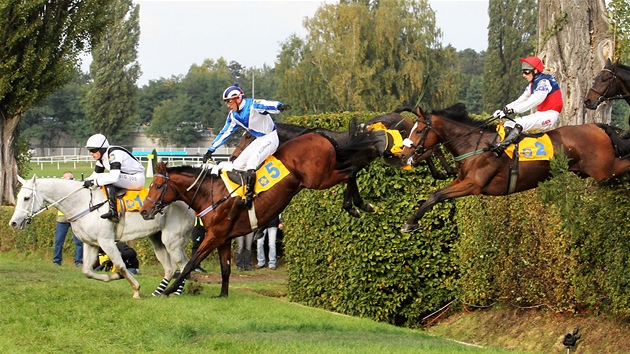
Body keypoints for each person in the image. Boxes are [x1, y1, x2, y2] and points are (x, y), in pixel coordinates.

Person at [202, 84, 289, 208]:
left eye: (229, 101)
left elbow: (265, 104)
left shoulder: (253, 105)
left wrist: (278, 106)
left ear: (238, 99)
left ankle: (250, 198)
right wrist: (211, 150)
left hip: (271, 138)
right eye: (226, 102)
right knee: (237, 164)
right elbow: (225, 132)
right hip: (259, 139)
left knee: (251, 163)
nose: (228, 105)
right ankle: (242, 192)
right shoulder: (233, 116)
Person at [490, 56, 564, 156]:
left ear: (536, 70)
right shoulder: (532, 84)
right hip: (539, 114)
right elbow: (522, 99)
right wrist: (505, 109)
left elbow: (535, 100)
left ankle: (501, 149)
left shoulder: (544, 82)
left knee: (519, 125)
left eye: (526, 72)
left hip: (549, 115)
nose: (524, 75)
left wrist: (514, 110)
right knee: (508, 124)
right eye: (523, 72)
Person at [83, 133, 145, 222]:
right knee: (102, 177)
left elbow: (113, 178)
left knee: (106, 177)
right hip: (125, 177)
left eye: (93, 150)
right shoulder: (102, 157)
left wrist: (94, 183)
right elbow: (94, 175)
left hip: (136, 179)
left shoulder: (114, 154)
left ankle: (113, 212)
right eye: (89, 150)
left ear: (102, 148)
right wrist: (82, 182)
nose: (91, 154)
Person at [53, 171, 84, 266]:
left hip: (74, 218)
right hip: (62, 218)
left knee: (79, 241)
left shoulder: (77, 190)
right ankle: (56, 261)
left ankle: (79, 261)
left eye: (71, 178)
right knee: (59, 241)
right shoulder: (59, 191)